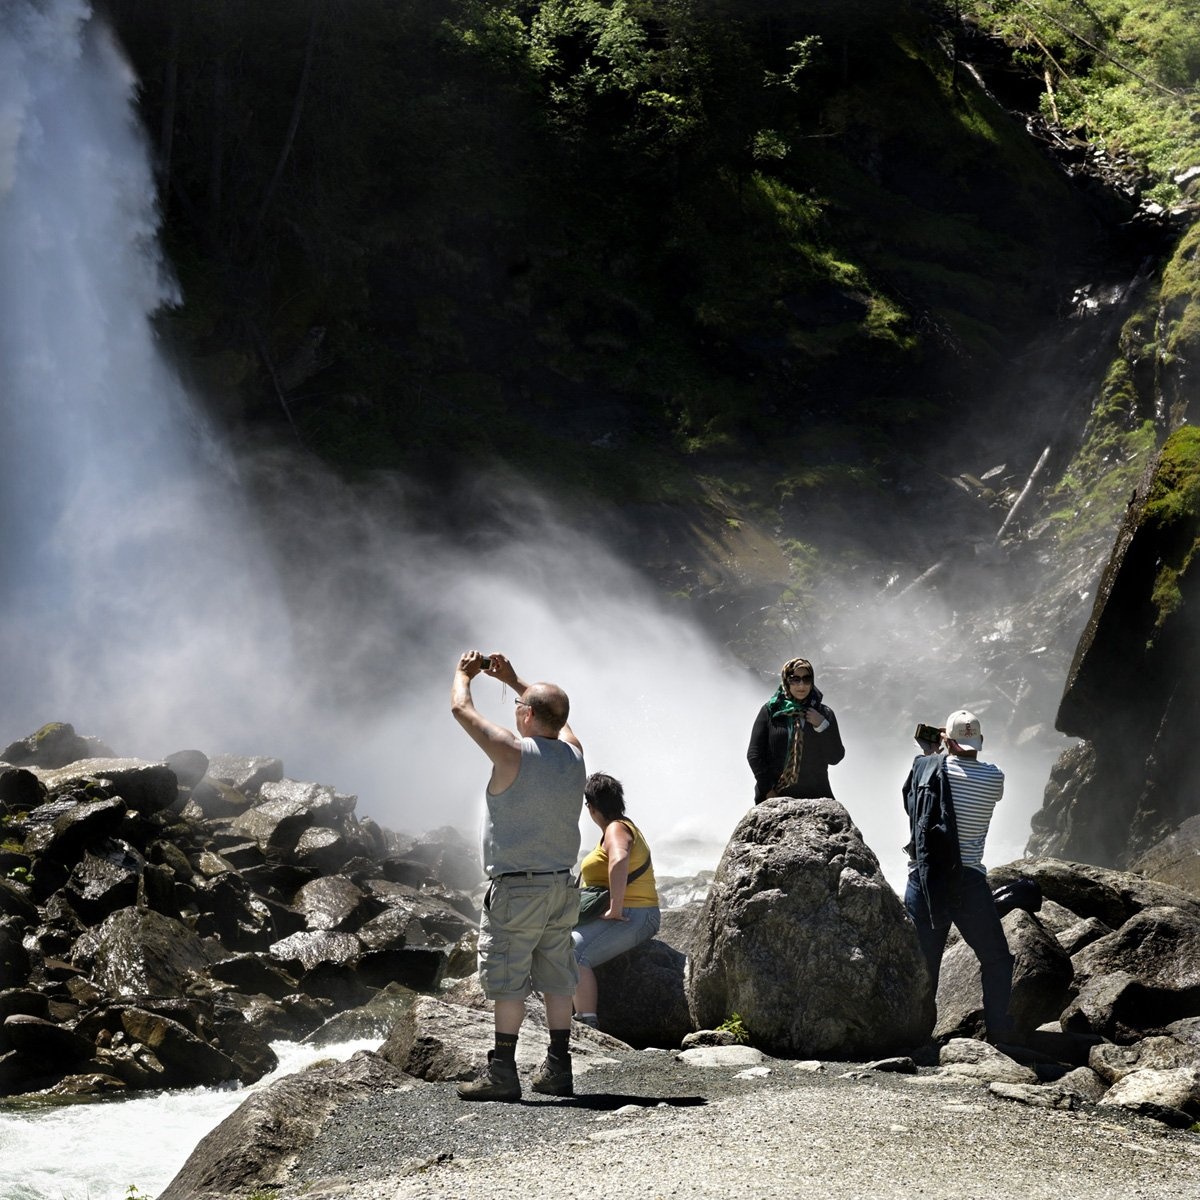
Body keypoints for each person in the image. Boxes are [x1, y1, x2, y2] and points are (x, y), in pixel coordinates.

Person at [450, 649, 585, 1101]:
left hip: (517, 887)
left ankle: (503, 1073)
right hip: (562, 886)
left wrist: (463, 674)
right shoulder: (574, 756)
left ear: (526, 715)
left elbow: (460, 709)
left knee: (508, 977)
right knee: (557, 974)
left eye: (519, 707)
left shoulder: (511, 751)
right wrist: (513, 681)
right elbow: (558, 716)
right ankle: (558, 1067)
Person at [902, 709, 1016, 1043]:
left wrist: (931, 752)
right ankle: (999, 1031)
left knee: (925, 963)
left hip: (925, 879)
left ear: (947, 740)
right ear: (979, 741)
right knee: (995, 958)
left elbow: (912, 807)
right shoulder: (995, 778)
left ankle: (917, 1035)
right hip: (968, 879)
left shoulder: (926, 767)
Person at [571, 773, 661, 1028]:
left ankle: (587, 1023)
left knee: (573, 952)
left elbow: (619, 859)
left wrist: (615, 908)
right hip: (634, 913)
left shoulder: (616, 829)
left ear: (590, 806)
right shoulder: (620, 826)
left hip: (636, 914)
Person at [746, 657, 845, 803]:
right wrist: (768, 789)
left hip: (816, 797)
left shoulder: (824, 714)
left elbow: (835, 757)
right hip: (775, 795)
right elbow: (754, 755)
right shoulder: (770, 711)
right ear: (786, 680)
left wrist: (822, 725)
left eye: (806, 679)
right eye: (795, 679)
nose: (801, 685)